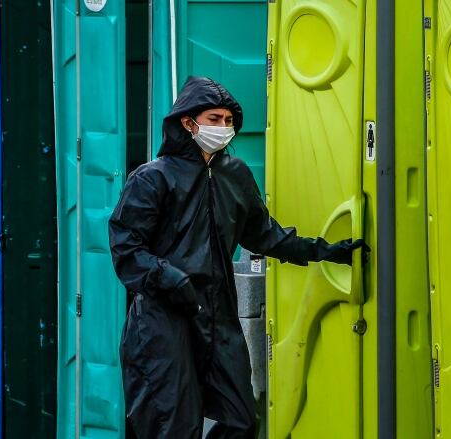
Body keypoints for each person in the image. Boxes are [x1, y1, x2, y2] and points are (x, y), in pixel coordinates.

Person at [109, 76, 367, 439]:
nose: (223, 128)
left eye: (229, 121)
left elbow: (264, 234)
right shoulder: (153, 179)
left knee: (241, 420)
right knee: (173, 427)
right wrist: (170, 278)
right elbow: (127, 250)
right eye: (214, 119)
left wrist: (324, 251)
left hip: (219, 314)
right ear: (188, 122)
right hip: (163, 320)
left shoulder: (235, 175)